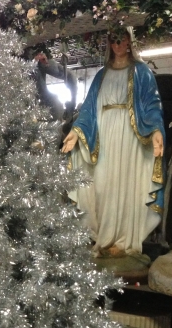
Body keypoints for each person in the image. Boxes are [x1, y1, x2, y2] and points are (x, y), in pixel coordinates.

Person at [61, 28, 165, 259]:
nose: (118, 44)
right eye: (113, 40)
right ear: (109, 43)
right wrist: (76, 132)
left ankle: (123, 241)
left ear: (129, 42)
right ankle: (104, 237)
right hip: (103, 135)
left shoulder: (141, 72)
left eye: (122, 40)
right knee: (103, 185)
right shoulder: (101, 74)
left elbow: (152, 104)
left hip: (130, 137)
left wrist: (156, 130)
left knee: (126, 184)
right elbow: (88, 109)